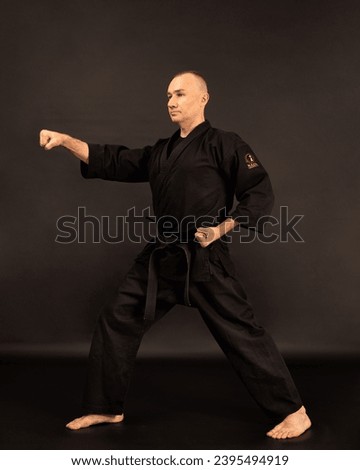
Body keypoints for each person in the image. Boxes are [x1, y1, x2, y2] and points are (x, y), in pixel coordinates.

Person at [39, 71, 311, 439]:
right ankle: (105, 407)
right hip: (163, 256)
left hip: (204, 257)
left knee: (241, 333)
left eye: (180, 94)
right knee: (117, 318)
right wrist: (67, 140)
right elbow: (114, 161)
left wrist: (219, 230)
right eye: (168, 95)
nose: (171, 101)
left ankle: (294, 412)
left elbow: (259, 193)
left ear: (203, 98)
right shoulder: (161, 152)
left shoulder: (225, 144)